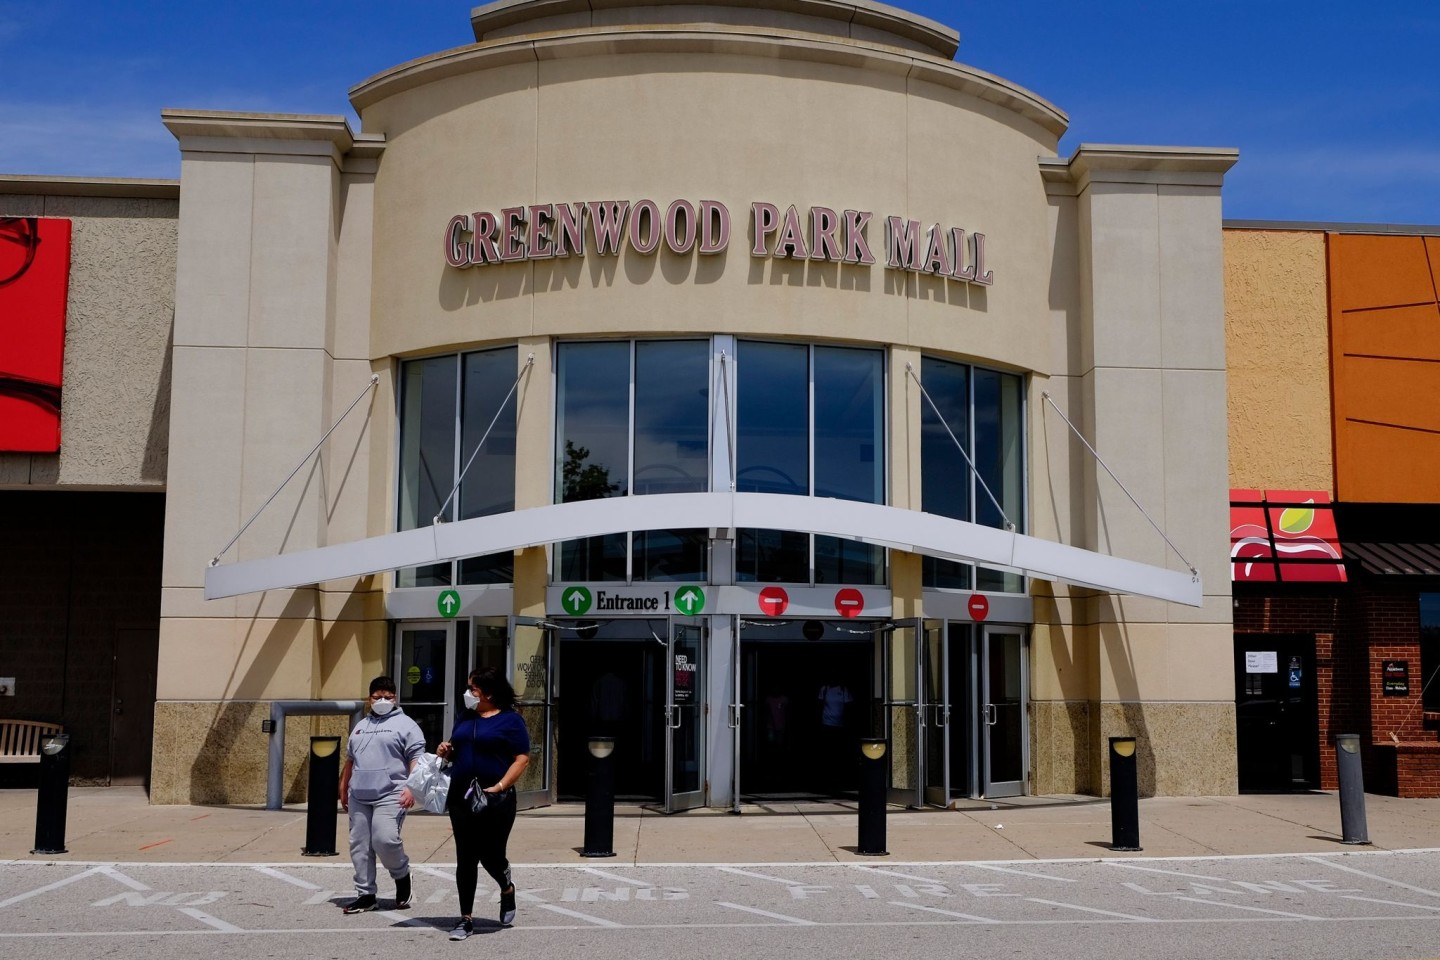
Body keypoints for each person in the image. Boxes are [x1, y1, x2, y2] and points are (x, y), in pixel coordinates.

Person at [437, 666, 531, 941]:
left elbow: (521, 759)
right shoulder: (465, 716)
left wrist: (500, 785)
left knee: (491, 855)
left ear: (488, 693)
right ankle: (465, 918)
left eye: (472, 689)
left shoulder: (511, 721)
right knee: (466, 857)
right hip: (462, 797)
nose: (467, 693)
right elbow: (457, 749)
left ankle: (507, 888)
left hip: (496, 799)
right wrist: (446, 750)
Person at [339, 675, 425, 914]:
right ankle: (366, 894)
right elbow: (350, 760)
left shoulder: (407, 725)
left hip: (392, 794)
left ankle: (402, 875)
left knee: (385, 839)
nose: (383, 701)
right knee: (359, 845)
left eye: (388, 697)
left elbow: (415, 760)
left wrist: (411, 787)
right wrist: (344, 786)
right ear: (369, 699)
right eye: (378, 697)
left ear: (395, 698)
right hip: (360, 794)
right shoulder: (360, 727)